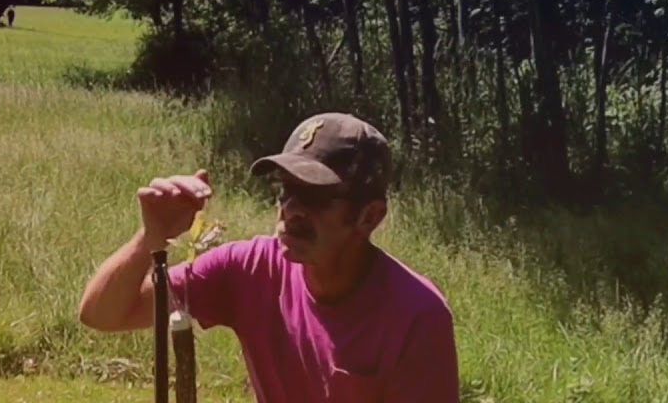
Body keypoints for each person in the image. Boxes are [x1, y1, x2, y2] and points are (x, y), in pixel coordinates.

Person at [78, 112, 460, 402]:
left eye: (315, 196)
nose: (292, 209)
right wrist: (151, 237)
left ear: (370, 216)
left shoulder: (416, 316)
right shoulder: (248, 268)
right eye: (285, 190)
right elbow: (103, 314)